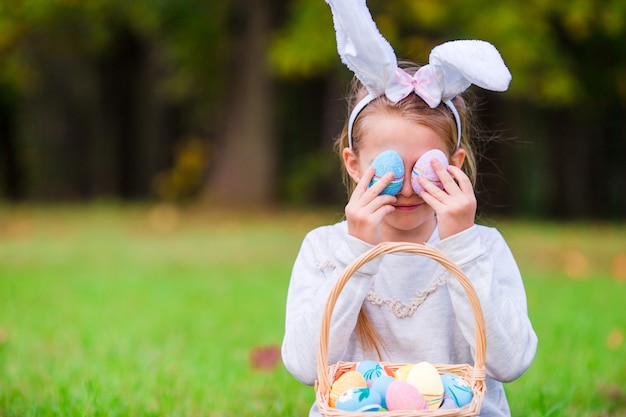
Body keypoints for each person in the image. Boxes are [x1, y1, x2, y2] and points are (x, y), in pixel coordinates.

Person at [281, 1, 538, 416]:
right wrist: (356, 251)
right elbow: (301, 364)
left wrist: (461, 244)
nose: (404, 190)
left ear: (455, 165)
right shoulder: (325, 248)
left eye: (424, 167)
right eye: (388, 169)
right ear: (354, 164)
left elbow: (510, 364)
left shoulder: (483, 247)